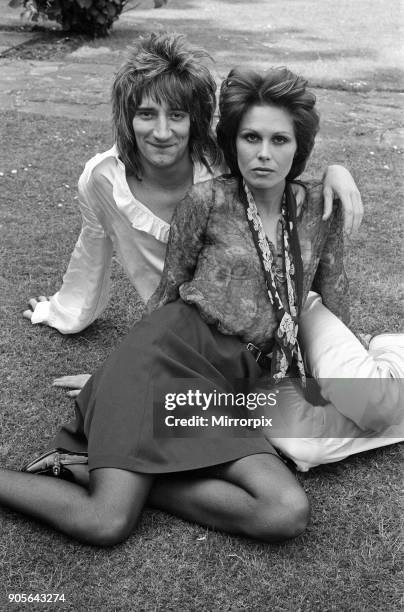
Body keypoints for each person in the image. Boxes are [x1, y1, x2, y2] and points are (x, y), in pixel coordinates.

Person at [2, 66, 400, 546]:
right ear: (232, 140)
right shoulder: (206, 200)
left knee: (284, 512)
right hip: (167, 357)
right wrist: (115, 378)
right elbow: (169, 292)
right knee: (105, 522)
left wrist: (345, 375)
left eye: (280, 140)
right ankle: (100, 472)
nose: (264, 153)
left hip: (232, 384)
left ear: (300, 147)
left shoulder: (319, 208)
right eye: (251, 137)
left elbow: (332, 300)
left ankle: (95, 469)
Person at [23, 33, 362, 335]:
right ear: (127, 118)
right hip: (179, 330)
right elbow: (92, 245)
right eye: (145, 114)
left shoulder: (218, 168)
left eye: (176, 115)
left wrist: (335, 170)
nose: (161, 132)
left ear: (195, 120)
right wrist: (64, 312)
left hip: (248, 320)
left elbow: (274, 168)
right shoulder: (103, 180)